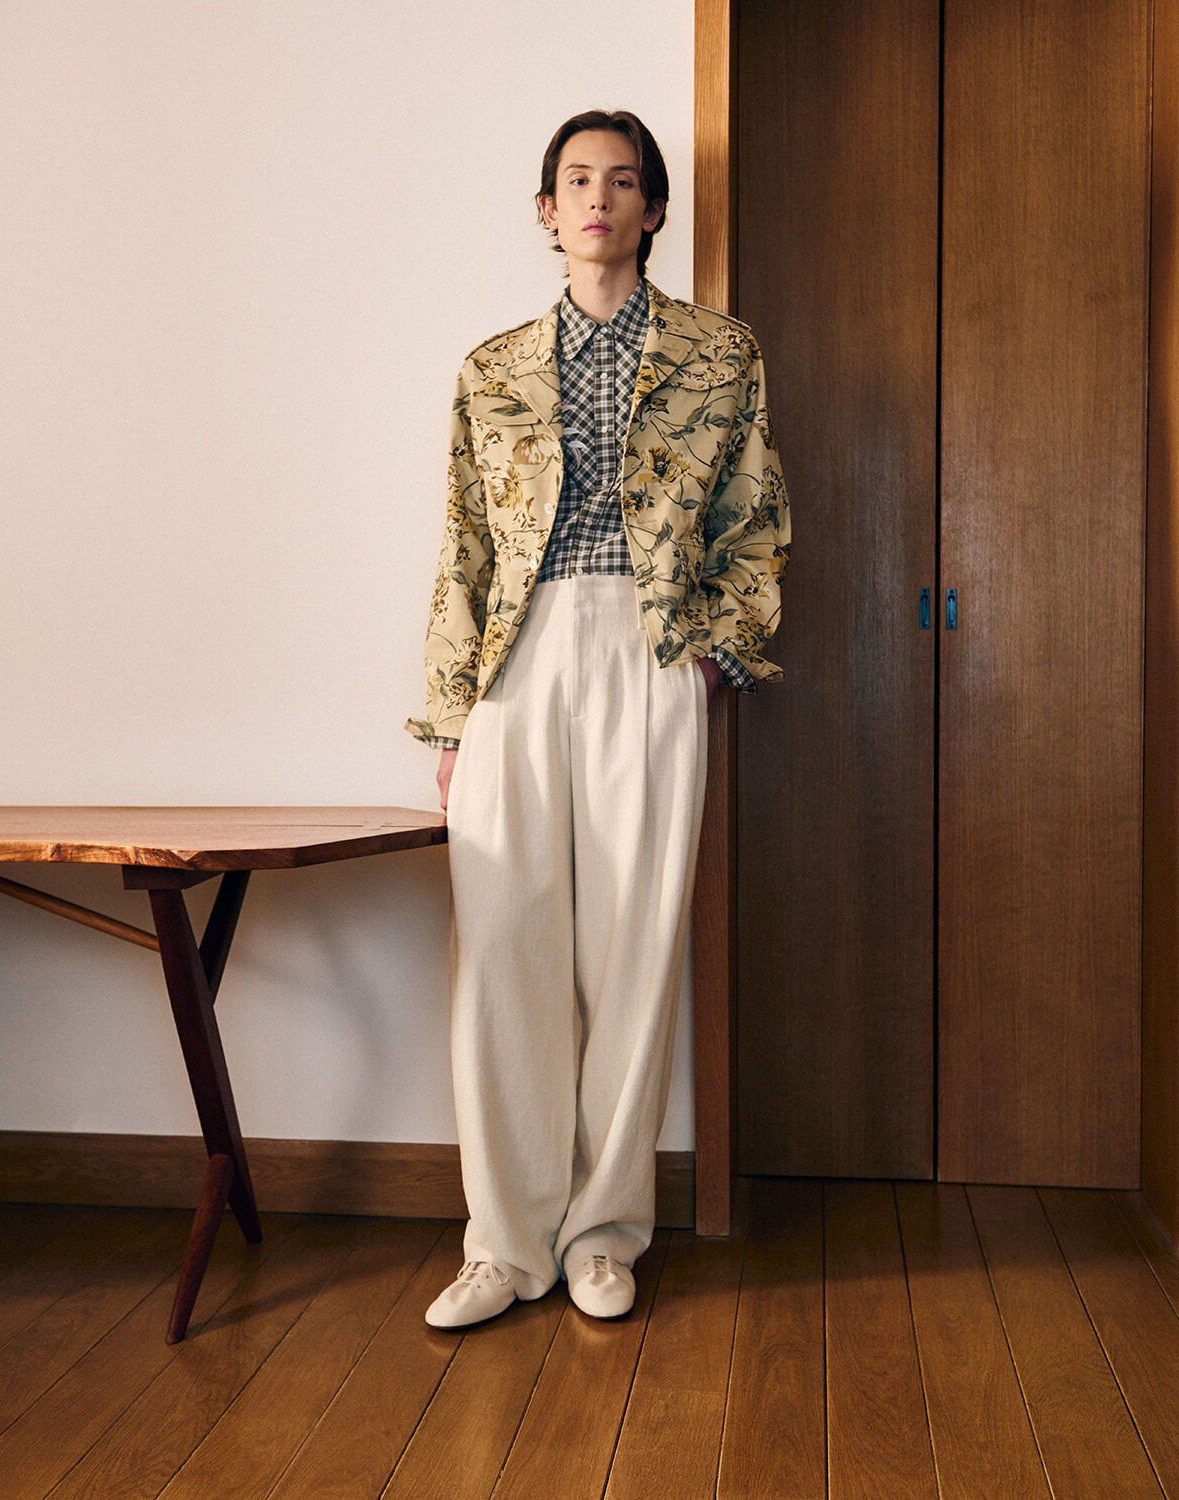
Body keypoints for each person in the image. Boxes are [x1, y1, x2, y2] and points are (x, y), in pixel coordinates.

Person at [406, 109, 790, 1327]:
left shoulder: (721, 354)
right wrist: (454, 717)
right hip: (518, 661)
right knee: (504, 945)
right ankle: (504, 1243)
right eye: (576, 180)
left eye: (623, 181)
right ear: (544, 211)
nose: (598, 199)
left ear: (655, 210)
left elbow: (755, 515)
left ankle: (604, 1235)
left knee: (631, 946)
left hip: (650, 646)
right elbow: (462, 553)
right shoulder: (492, 368)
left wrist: (716, 656)